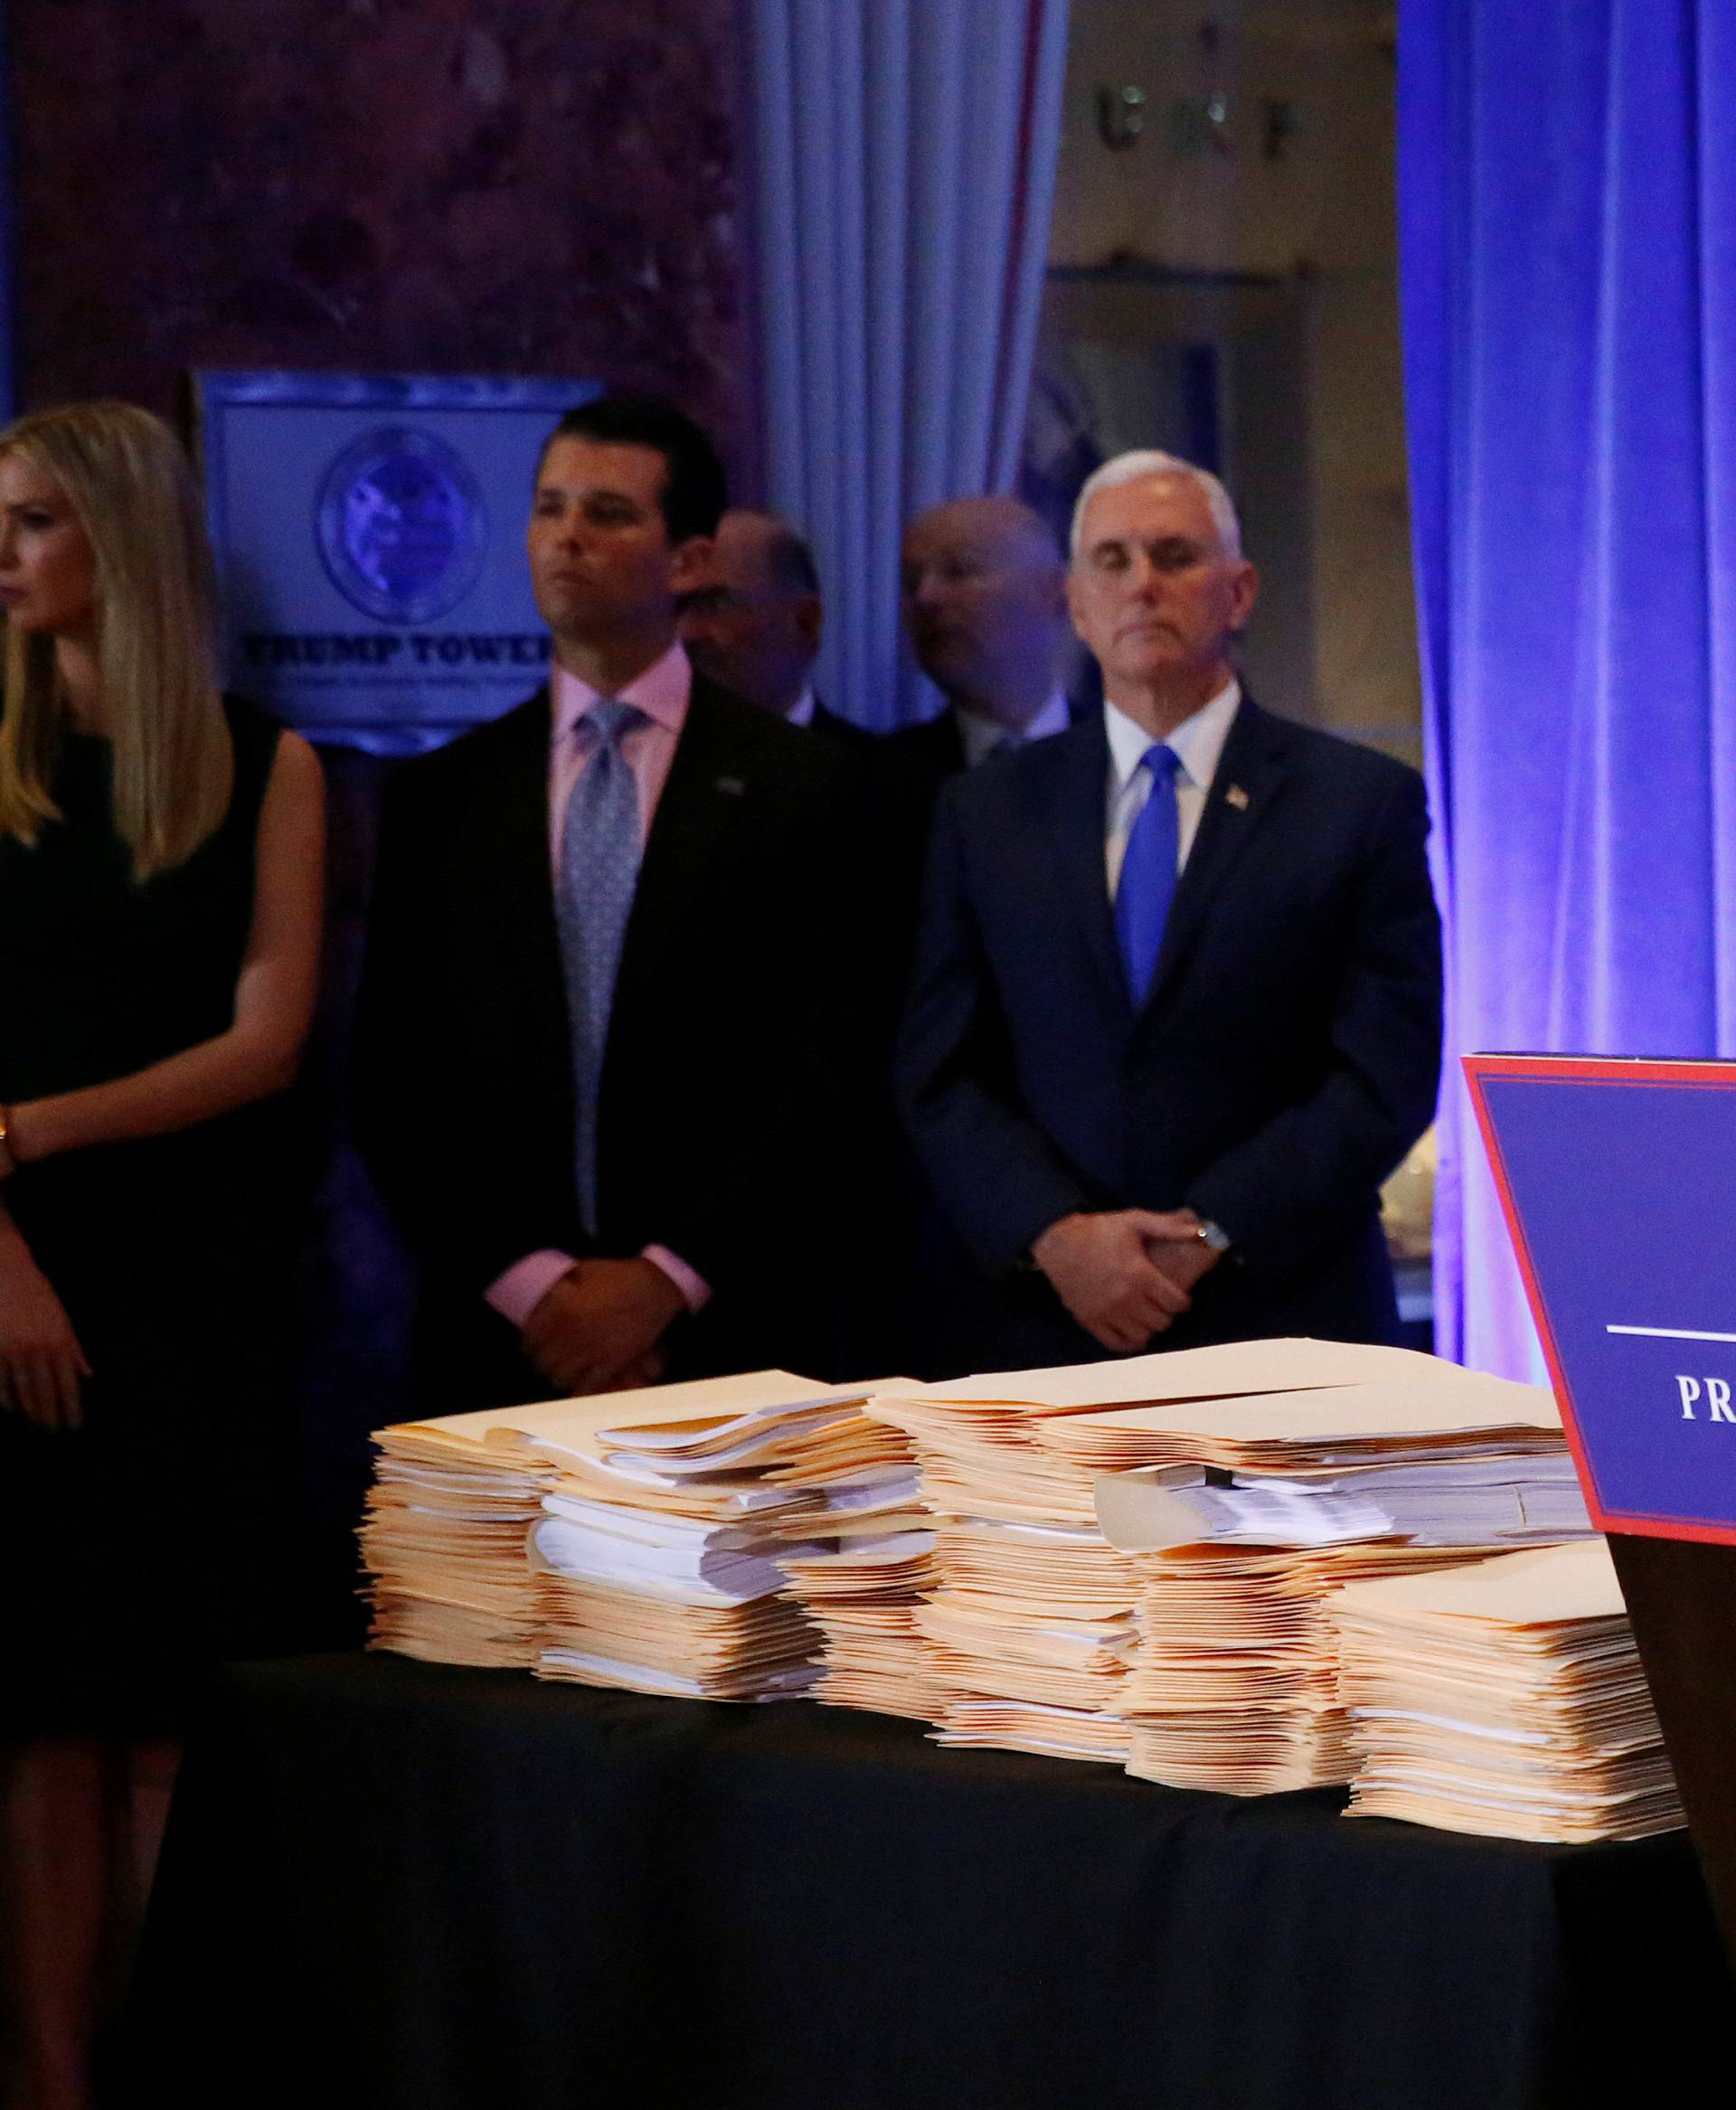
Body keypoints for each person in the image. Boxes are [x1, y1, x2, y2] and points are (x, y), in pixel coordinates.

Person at [0, 400, 326, 2110]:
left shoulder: (263, 759)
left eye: (38, 520)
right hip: (14, 1295)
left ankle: (150, 2060)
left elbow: (267, 1038)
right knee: (40, 1714)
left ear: (119, 541)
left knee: (162, 1715)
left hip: (197, 1289)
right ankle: (48, 2073)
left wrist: (30, 1130)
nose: (6, 555)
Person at [355, 399, 871, 1409]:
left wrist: (662, 1282)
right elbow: (394, 1078)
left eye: (608, 514)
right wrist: (540, 1291)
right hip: (500, 1342)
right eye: (550, 509)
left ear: (688, 561)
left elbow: (830, 1068)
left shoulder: (806, 787)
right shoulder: (443, 794)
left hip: (736, 1335)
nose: (568, 538)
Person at [896, 448, 1442, 1372]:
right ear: (1074, 601)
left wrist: (1208, 1235)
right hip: (1052, 1332)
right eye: (1112, 561)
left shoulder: (1357, 802)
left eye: (1175, 556)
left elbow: (1382, 1072)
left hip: (1291, 1328)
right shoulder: (985, 811)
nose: (1142, 585)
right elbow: (942, 1071)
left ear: (1239, 590)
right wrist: (1058, 1236)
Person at [887, 495, 1077, 803]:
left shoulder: (1133, 764)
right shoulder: (873, 785)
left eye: (959, 571)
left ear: (1052, 594)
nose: (925, 597)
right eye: (911, 582)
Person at [679, 508, 873, 749]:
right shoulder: (638, 769)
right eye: (676, 607)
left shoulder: (880, 779)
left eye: (717, 605)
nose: (685, 632)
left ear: (805, 622)